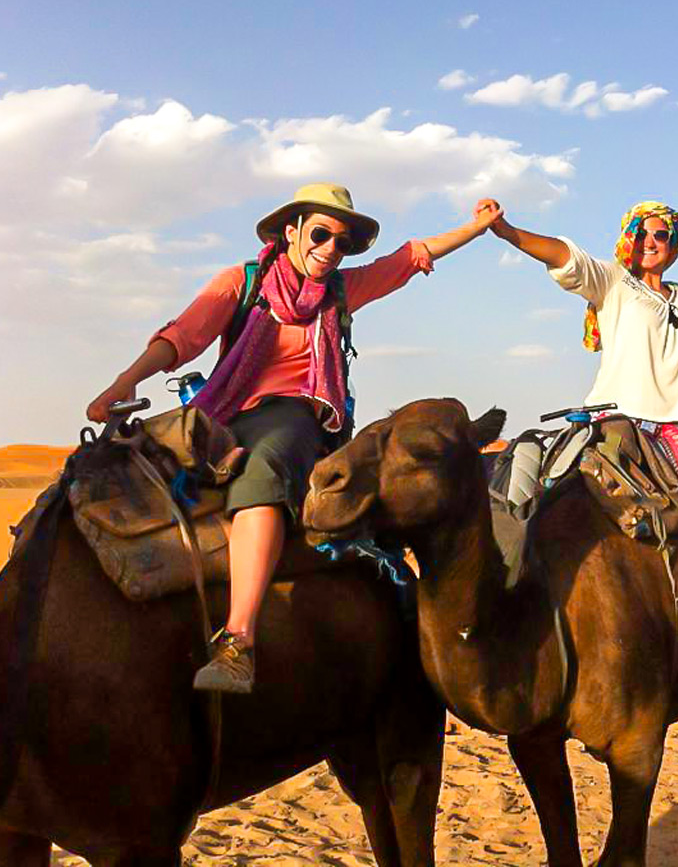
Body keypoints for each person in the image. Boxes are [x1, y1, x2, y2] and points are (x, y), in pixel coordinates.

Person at [87, 183, 502, 694]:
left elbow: (411, 257)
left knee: (261, 474)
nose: (330, 249)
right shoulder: (243, 282)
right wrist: (125, 382)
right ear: (292, 232)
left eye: (343, 243)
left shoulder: (343, 291)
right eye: (322, 234)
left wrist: (479, 228)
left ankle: (239, 642)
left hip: (297, 417)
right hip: (220, 408)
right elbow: (183, 337)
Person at [483, 198, 678, 685]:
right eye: (644, 233)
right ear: (630, 237)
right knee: (535, 487)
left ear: (673, 247)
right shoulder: (613, 281)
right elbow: (560, 255)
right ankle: (499, 607)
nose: (651, 242)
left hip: (675, 425)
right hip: (610, 416)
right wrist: (507, 230)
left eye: (662, 236)